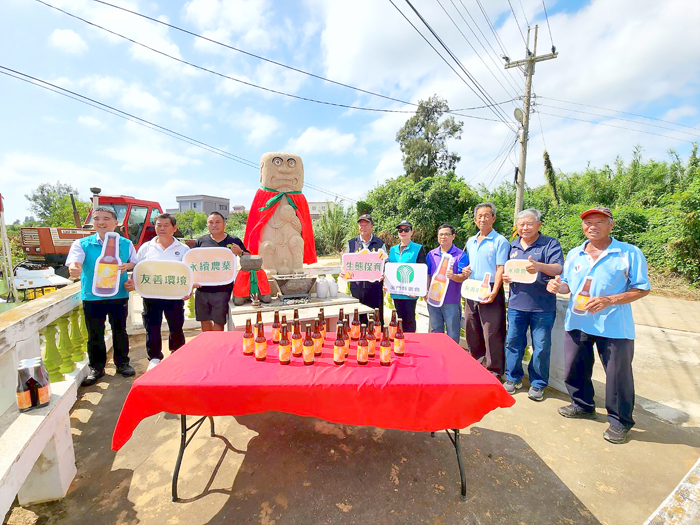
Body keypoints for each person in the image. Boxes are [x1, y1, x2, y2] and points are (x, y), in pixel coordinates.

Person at [547, 206, 650, 444]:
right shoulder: (575, 253)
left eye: (599, 221)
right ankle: (582, 405)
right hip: (578, 321)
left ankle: (620, 421)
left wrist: (609, 300)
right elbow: (568, 286)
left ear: (611, 224)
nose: (592, 226)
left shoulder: (628, 253)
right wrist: (557, 287)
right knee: (575, 366)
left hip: (613, 326)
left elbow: (641, 288)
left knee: (617, 375)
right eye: (587, 222)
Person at [66, 207, 137, 386]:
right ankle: (96, 368)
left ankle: (123, 363)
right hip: (92, 296)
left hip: (118, 294)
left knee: (120, 330)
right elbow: (75, 263)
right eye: (97, 218)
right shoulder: (82, 244)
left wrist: (130, 274)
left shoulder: (126, 244)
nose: (101, 222)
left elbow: (135, 263)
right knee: (94, 333)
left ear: (116, 223)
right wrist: (74, 268)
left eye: (106, 218)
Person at [502, 209, 563, 401]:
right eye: (521, 224)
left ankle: (538, 384)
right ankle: (513, 378)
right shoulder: (512, 246)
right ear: (517, 227)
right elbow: (508, 270)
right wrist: (506, 277)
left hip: (542, 307)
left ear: (538, 225)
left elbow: (558, 267)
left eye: (529, 223)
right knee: (513, 342)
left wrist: (540, 266)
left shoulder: (550, 244)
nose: (525, 227)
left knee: (541, 346)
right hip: (516, 305)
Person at [124, 214, 190, 371]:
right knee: (152, 326)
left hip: (174, 296)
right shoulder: (146, 247)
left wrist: (188, 290)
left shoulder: (183, 249)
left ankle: (177, 353)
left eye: (166, 225)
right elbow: (138, 269)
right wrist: (133, 282)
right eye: (158, 225)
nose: (161, 228)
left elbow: (188, 272)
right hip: (151, 295)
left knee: (176, 326)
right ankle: (154, 358)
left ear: (174, 228)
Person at [462, 202, 509, 377]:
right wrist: (466, 270)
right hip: (472, 288)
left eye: (487, 215)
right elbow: (469, 265)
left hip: (490, 288)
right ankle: (476, 361)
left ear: (493, 218)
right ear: (475, 220)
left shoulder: (500, 241)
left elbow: (500, 268)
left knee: (491, 330)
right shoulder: (471, 241)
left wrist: (495, 291)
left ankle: (494, 370)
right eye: (480, 216)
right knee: (471, 326)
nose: (483, 219)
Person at [194, 212, 248, 331]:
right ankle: (208, 345)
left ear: (224, 224)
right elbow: (192, 262)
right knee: (204, 319)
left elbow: (249, 259)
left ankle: (216, 345)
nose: (214, 225)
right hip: (202, 288)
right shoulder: (201, 241)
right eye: (211, 223)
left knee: (219, 320)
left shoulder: (233, 240)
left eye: (217, 222)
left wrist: (240, 252)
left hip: (223, 289)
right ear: (207, 225)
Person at [426, 224, 468, 343]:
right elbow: (428, 274)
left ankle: (451, 358)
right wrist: (426, 291)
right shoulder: (431, 254)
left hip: (451, 300)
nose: (443, 237)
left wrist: (453, 276)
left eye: (446, 234)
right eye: (441, 234)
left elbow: (463, 277)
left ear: (453, 236)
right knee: (435, 330)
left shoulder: (461, 255)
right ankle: (437, 355)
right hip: (433, 299)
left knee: (453, 332)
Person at [347, 214, 387, 327]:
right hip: (357, 288)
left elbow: (385, 263)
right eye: (361, 225)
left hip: (374, 288)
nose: (363, 227)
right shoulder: (351, 243)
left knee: (375, 320)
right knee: (357, 320)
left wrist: (384, 273)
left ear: (372, 226)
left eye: (366, 224)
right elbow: (346, 263)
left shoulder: (380, 243)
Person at [387, 220, 427, 333]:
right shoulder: (393, 249)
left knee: (409, 320)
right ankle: (399, 343)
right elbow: (390, 270)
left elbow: (421, 270)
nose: (403, 232)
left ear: (411, 232)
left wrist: (418, 290)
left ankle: (410, 345)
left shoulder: (418, 248)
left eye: (406, 230)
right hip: (396, 292)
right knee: (398, 320)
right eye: (400, 230)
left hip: (410, 293)